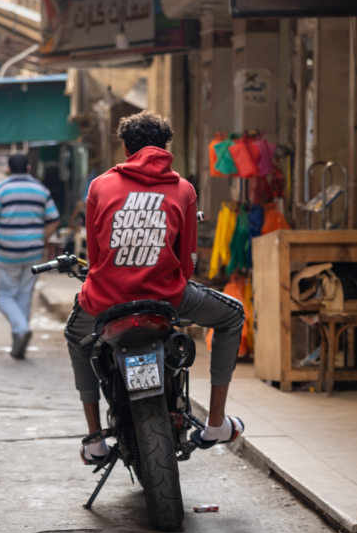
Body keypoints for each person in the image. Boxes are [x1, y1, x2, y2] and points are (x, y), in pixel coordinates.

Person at [65, 111, 245, 465]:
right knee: (233, 316)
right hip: (167, 298)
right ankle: (214, 424)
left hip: (105, 300)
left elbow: (96, 253)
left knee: (76, 339)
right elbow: (188, 259)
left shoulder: (100, 186)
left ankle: (94, 439)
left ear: (125, 147)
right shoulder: (183, 189)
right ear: (166, 146)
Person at [0, 153, 60, 359]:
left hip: (8, 252)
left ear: (8, 169)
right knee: (24, 295)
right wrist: (40, 238)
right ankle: (18, 338)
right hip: (33, 252)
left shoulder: (0, 190)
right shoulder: (40, 189)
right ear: (28, 168)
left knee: (3, 296)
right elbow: (54, 220)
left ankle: (20, 330)